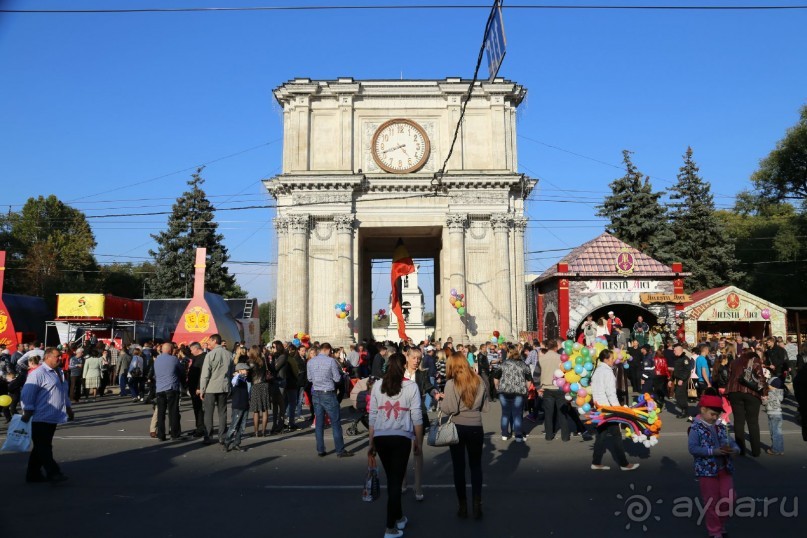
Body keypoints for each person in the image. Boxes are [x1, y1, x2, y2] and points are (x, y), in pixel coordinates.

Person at [367, 352, 423, 538]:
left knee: (393, 478)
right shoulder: (411, 386)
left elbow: (373, 415)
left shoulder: (377, 385)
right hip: (401, 437)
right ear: (404, 366)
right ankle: (390, 527)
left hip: (381, 437)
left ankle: (399, 517)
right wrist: (418, 441)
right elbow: (417, 416)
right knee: (395, 482)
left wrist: (371, 442)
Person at [440, 352, 489, 520]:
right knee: (476, 466)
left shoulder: (451, 383)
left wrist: (442, 401)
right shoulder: (479, 380)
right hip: (476, 426)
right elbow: (484, 407)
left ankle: (462, 505)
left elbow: (450, 409)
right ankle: (477, 504)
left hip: (457, 427)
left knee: (458, 467)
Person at [688, 390, 739, 538]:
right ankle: (715, 530)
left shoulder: (720, 426)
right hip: (706, 471)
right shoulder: (695, 428)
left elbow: (731, 442)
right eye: (712, 414)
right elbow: (693, 448)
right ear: (703, 410)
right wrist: (713, 451)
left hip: (724, 468)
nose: (715, 417)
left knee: (729, 498)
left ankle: (721, 523)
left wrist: (735, 449)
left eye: (718, 415)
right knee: (711, 502)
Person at [20, 347, 74, 483]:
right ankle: (53, 472)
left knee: (40, 446)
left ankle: (33, 475)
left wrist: (68, 408)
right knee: (44, 446)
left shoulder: (59, 372)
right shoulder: (38, 373)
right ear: (47, 357)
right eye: (57, 356)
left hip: (53, 416)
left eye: (60, 356)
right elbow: (27, 393)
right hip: (40, 416)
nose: (60, 358)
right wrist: (27, 411)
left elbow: (63, 392)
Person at [590, 349, 640, 471]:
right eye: (612, 358)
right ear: (606, 359)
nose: (613, 360)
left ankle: (596, 462)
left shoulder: (596, 371)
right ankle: (624, 464)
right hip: (608, 409)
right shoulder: (607, 372)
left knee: (601, 435)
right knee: (616, 436)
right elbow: (611, 393)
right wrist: (618, 409)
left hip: (599, 407)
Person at [402, 347, 438, 501]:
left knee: (417, 451)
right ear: (407, 357)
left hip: (418, 414)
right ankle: (403, 481)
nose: (416, 361)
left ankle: (418, 486)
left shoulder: (422, 374)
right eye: (414, 358)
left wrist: (435, 393)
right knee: (402, 451)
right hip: (402, 415)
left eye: (419, 358)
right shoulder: (400, 374)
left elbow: (429, 387)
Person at [307, 342, 353, 458]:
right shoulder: (331, 361)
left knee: (319, 423)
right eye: (330, 351)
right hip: (328, 393)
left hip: (316, 393)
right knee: (335, 422)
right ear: (327, 350)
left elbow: (310, 378)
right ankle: (340, 450)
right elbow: (337, 378)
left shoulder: (311, 362)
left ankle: (320, 449)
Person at [726, 350, 768, 457]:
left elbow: (729, 377)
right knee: (753, 422)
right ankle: (756, 451)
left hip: (734, 392)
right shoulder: (755, 361)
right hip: (751, 393)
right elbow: (761, 377)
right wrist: (764, 393)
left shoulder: (734, 362)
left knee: (738, 422)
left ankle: (740, 450)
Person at [199, 334, 233, 446]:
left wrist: (202, 389)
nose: (208, 343)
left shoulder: (210, 355)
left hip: (211, 387)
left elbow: (205, 374)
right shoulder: (229, 354)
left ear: (215, 341)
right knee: (222, 412)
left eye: (210, 341)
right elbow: (231, 373)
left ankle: (208, 436)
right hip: (223, 386)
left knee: (208, 413)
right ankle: (222, 437)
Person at [493, 346, 531, 443]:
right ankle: (518, 435)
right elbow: (529, 379)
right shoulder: (523, 364)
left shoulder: (503, 364)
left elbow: (496, 377)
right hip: (518, 392)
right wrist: (526, 389)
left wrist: (497, 387)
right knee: (517, 414)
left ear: (509, 353)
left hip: (504, 391)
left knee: (505, 413)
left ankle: (504, 434)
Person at [154, 342, 183, 441]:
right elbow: (181, 371)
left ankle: (161, 435)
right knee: (173, 412)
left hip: (160, 388)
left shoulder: (157, 360)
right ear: (170, 350)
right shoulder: (174, 359)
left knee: (161, 413)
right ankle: (174, 434)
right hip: (171, 388)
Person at [223, 363, 251, 452]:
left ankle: (236, 443)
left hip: (245, 405)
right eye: (245, 370)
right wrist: (237, 375)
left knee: (242, 427)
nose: (247, 371)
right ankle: (226, 443)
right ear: (240, 370)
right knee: (234, 426)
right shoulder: (236, 379)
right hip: (238, 406)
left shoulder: (245, 380)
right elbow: (234, 382)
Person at [248, 345, 271, 436]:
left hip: (255, 386)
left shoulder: (250, 362)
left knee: (256, 410)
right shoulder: (264, 360)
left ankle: (256, 432)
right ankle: (264, 431)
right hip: (265, 385)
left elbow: (248, 378)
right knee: (265, 409)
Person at [187, 342, 206, 437]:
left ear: (196, 349)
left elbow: (203, 374)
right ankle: (198, 427)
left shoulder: (203, 357)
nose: (191, 352)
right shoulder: (195, 358)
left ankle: (201, 429)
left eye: (191, 350)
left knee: (199, 408)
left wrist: (199, 387)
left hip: (198, 387)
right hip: (192, 386)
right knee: (196, 408)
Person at [764, 377, 784, 455]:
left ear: (771, 385)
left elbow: (765, 403)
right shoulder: (780, 392)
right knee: (779, 432)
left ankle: (775, 449)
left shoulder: (770, 393)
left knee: (774, 432)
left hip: (772, 414)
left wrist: (764, 399)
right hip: (779, 414)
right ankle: (780, 449)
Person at [672, 344, 692, 419]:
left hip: (682, 380)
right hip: (678, 379)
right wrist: (671, 380)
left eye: (675, 350)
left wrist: (682, 379)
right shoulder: (677, 358)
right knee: (680, 395)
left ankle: (684, 409)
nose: (673, 352)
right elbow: (675, 371)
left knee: (679, 394)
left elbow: (687, 371)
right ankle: (684, 410)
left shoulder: (685, 359)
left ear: (679, 350)